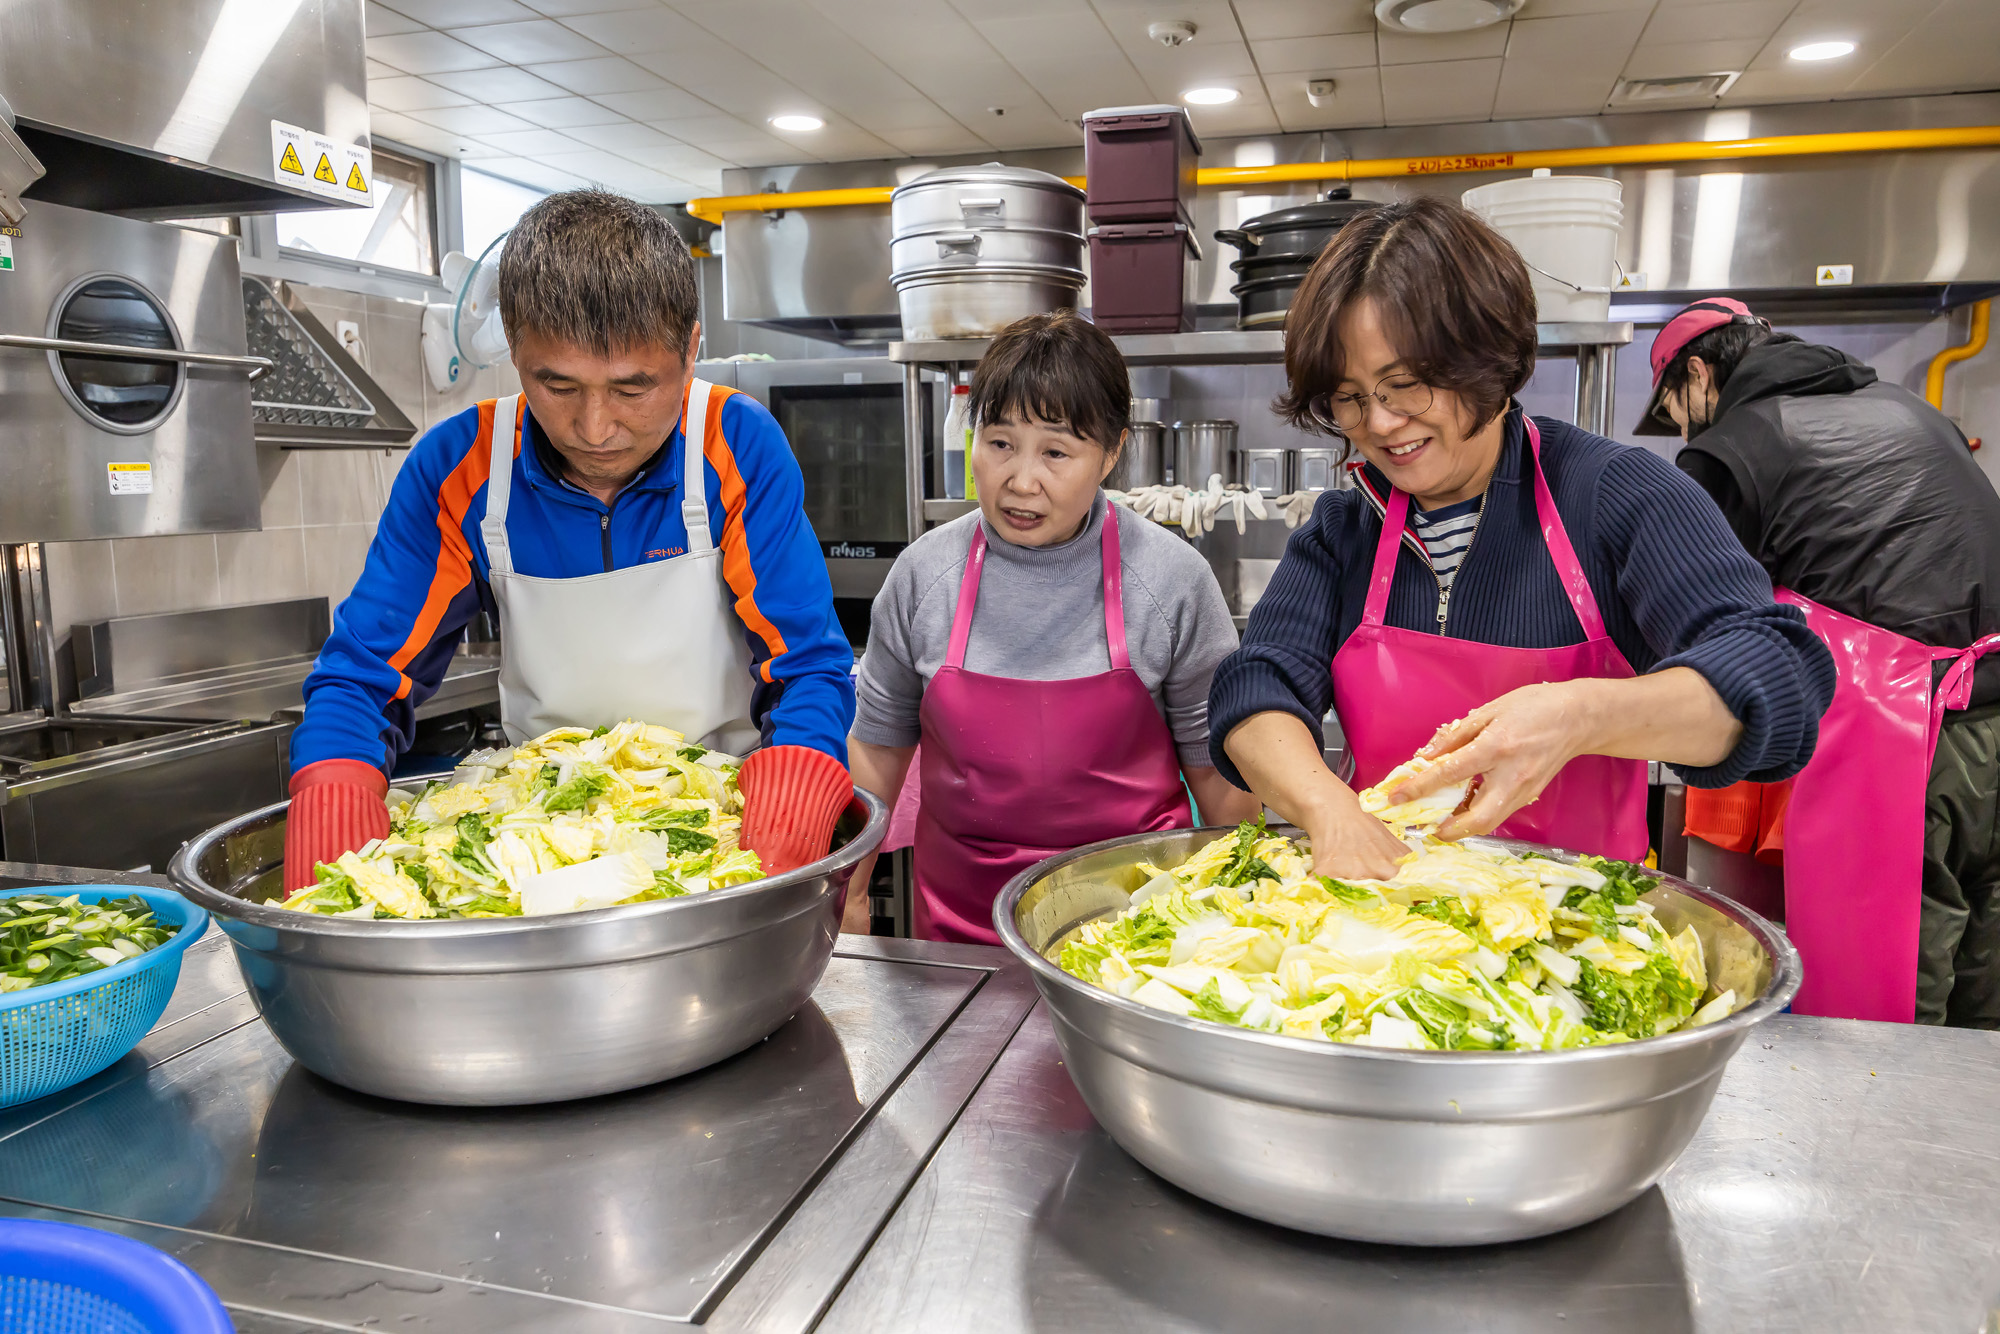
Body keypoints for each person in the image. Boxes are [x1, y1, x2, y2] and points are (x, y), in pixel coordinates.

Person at [1207, 197, 1836, 882]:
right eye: (1349, 397)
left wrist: (1579, 714)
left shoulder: (1615, 494)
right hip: (1385, 910)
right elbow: (1256, 690)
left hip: (1576, 919)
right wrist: (1331, 811)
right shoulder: (1344, 527)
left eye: (1404, 385)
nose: (1380, 424)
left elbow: (1779, 672)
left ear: (1487, 360)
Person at [284, 190, 857, 891]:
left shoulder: (734, 444)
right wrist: (333, 794)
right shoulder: (462, 466)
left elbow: (808, 666)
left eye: (632, 389)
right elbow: (363, 674)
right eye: (557, 386)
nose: (595, 428)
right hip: (538, 845)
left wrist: (788, 811)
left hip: (721, 828)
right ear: (515, 347)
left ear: (690, 350)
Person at [845, 311, 1259, 944]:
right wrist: (849, 895)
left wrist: (1235, 913)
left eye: (1056, 452)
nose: (1021, 481)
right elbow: (878, 750)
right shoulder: (924, 575)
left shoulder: (1171, 579)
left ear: (1111, 453)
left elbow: (1219, 774)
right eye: (999, 443)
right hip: (959, 931)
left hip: (1138, 931)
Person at [1642, 297, 2000, 1025]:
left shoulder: (1732, 448)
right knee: (1986, 972)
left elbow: (1714, 614)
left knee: (1894, 980)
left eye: (1672, 407)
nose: (1680, 428)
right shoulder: (1909, 408)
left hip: (1905, 738)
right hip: (1991, 708)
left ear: (1698, 374)